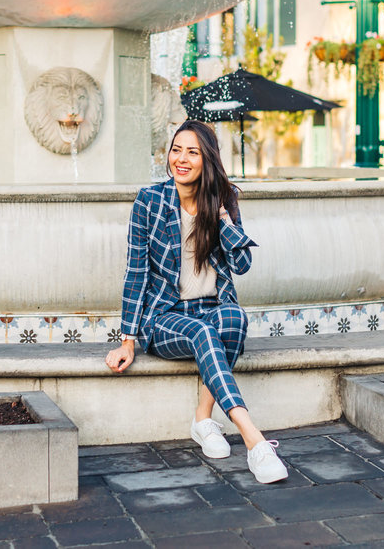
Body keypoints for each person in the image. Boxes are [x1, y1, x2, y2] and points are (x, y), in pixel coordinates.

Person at [105, 119, 288, 484]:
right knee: (203, 332)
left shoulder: (223, 201)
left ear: (208, 159)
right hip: (164, 317)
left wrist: (222, 217)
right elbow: (136, 273)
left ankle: (203, 419)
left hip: (210, 307)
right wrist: (127, 339)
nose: (181, 159)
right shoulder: (149, 201)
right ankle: (254, 440)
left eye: (192, 152)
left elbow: (242, 264)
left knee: (234, 319)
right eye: (176, 150)